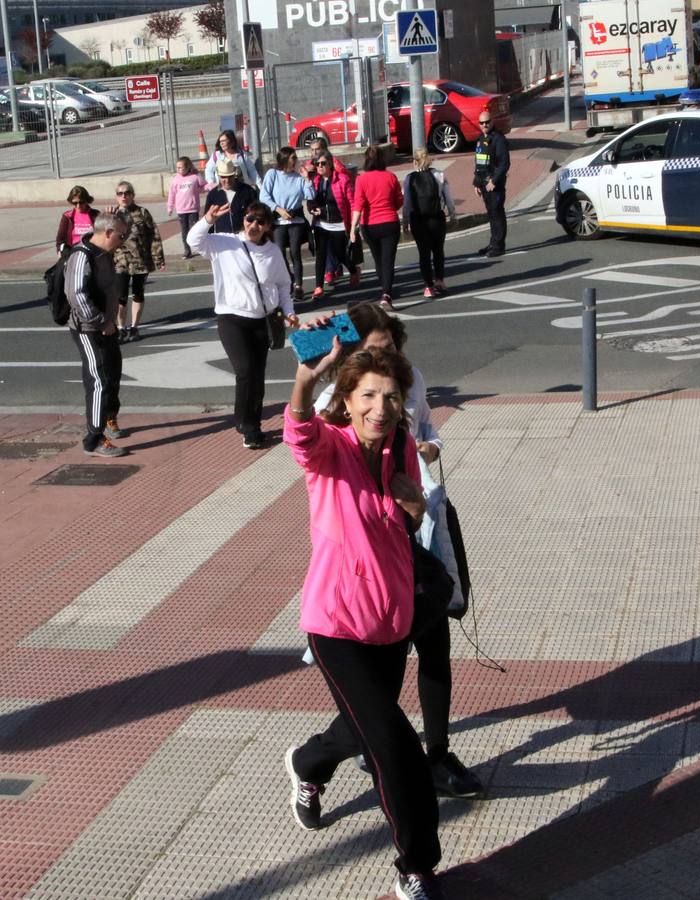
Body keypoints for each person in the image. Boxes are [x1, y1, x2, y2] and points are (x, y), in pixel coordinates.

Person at [284, 343, 445, 900]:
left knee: (360, 727)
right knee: (395, 749)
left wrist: (416, 508)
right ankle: (416, 867)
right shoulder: (331, 450)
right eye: (369, 396)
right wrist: (306, 378)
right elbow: (299, 432)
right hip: (335, 623)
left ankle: (307, 762)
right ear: (348, 402)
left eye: (391, 396)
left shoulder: (400, 443)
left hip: (390, 618)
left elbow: (406, 520)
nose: (381, 407)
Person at [308, 303, 484, 799]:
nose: (388, 365)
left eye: (393, 348)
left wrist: (429, 449)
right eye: (374, 352)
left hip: (424, 522)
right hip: (368, 550)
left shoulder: (412, 380)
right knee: (374, 681)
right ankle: (330, 753)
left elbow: (426, 429)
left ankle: (438, 753)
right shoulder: (335, 398)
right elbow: (310, 440)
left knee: (436, 639)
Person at [187, 201, 296, 449]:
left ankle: (247, 421)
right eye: (250, 219)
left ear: (268, 226)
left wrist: (288, 313)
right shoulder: (225, 242)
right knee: (245, 370)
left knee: (256, 376)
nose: (254, 225)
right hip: (231, 318)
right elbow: (193, 242)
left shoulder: (273, 251)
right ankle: (249, 428)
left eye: (260, 221)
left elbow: (282, 285)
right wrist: (208, 220)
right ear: (243, 220)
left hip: (261, 320)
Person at [65, 210, 132, 458]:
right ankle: (93, 439)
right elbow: (76, 295)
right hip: (89, 329)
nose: (123, 240)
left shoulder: (105, 251)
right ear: (108, 233)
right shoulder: (82, 256)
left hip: (107, 326)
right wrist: (101, 320)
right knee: (98, 380)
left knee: (113, 373)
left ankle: (108, 420)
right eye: (121, 236)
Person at [350, 144, 403, 309]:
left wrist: (352, 229)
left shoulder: (361, 179)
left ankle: (384, 288)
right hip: (389, 222)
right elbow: (398, 201)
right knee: (388, 261)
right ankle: (386, 294)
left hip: (369, 225)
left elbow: (358, 205)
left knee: (378, 260)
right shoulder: (391, 177)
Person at [260, 146, 315, 302]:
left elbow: (310, 195)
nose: (295, 160)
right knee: (279, 253)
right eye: (293, 158)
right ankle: (289, 278)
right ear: (284, 159)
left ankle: (298, 286)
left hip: (296, 220)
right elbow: (264, 196)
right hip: (278, 220)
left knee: (295, 252)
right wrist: (278, 209)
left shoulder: (298, 177)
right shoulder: (273, 174)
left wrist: (306, 179)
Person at [112, 181, 165, 344]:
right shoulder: (112, 214)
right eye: (120, 194)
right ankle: (121, 328)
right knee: (119, 296)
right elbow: (102, 237)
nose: (124, 196)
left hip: (140, 261)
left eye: (127, 193)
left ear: (132, 195)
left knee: (138, 293)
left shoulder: (142, 212)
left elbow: (154, 235)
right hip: (119, 261)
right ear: (116, 197)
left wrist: (159, 258)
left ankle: (134, 327)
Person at [402, 148, 457, 298]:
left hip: (418, 221)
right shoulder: (439, 175)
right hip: (437, 219)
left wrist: (405, 220)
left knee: (424, 254)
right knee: (438, 251)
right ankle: (440, 280)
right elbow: (448, 198)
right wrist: (453, 215)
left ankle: (428, 286)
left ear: (415, 161)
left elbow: (406, 202)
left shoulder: (409, 178)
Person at [308, 150, 360, 301]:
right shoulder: (316, 181)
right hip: (321, 224)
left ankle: (353, 269)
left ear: (330, 164)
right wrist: (313, 209)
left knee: (339, 254)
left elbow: (351, 202)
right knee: (321, 255)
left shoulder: (342, 179)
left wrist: (352, 227)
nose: (320, 167)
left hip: (338, 224)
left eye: (323, 163)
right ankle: (319, 287)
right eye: (317, 164)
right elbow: (311, 200)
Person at [307, 136, 349, 288]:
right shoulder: (309, 165)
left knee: (336, 245)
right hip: (319, 208)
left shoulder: (333, 162)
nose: (314, 153)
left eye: (317, 149)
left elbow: (343, 173)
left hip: (335, 211)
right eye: (312, 150)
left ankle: (337, 267)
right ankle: (329, 271)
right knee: (322, 245)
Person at [473, 110, 510, 258]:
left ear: (492, 121)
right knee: (491, 214)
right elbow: (479, 162)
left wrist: (494, 180)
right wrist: (476, 182)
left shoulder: (498, 139)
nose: (484, 125)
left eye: (487, 122)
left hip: (494, 184)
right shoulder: (481, 138)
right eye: (481, 123)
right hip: (483, 183)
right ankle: (493, 242)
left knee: (497, 213)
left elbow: (504, 163)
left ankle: (499, 246)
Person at [167, 156, 211, 260]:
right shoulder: (176, 179)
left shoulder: (195, 176)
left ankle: (201, 247)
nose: (179, 170)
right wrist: (170, 207)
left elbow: (203, 186)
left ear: (188, 167)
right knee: (184, 230)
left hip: (193, 209)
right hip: (181, 210)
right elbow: (172, 194)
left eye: (181, 167)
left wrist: (210, 186)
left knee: (195, 229)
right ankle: (187, 250)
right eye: (177, 168)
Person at [204, 159, 259, 235]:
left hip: (244, 239)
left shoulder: (248, 192)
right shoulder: (213, 195)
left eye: (230, 176)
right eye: (223, 177)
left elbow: (257, 215)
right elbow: (208, 220)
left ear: (234, 175)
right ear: (219, 176)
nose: (227, 180)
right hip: (222, 240)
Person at [55, 186, 99, 256]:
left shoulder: (96, 215)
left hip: (91, 252)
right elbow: (60, 239)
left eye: (81, 202)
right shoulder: (67, 216)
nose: (78, 206)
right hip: (73, 252)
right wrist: (59, 251)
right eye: (75, 203)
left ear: (86, 201)